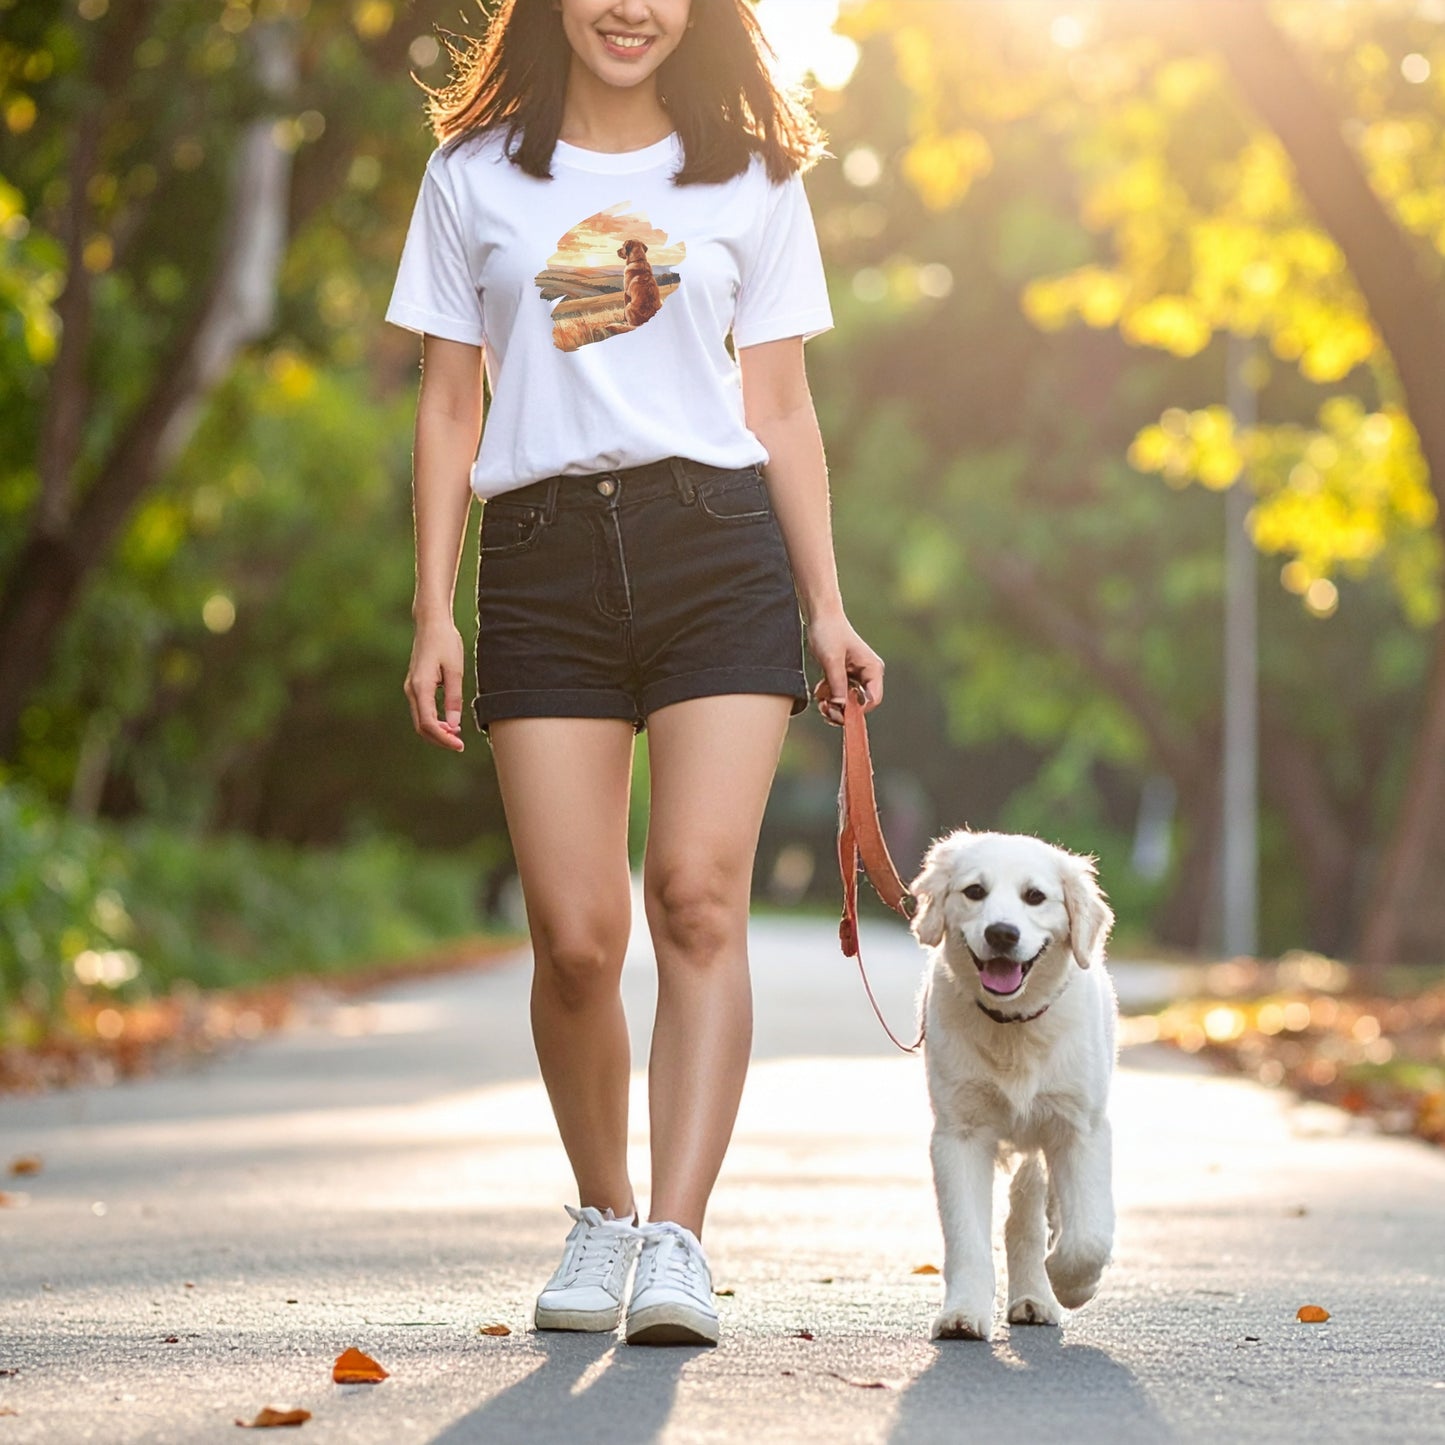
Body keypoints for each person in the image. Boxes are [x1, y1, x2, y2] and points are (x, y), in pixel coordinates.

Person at [386, 0, 883, 1347]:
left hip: (713, 548)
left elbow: (775, 405)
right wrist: (434, 606)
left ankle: (677, 1236)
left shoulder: (752, 175)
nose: (632, 7)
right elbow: (448, 400)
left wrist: (827, 607)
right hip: (541, 559)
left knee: (697, 900)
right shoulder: (473, 173)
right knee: (575, 939)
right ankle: (603, 1214)